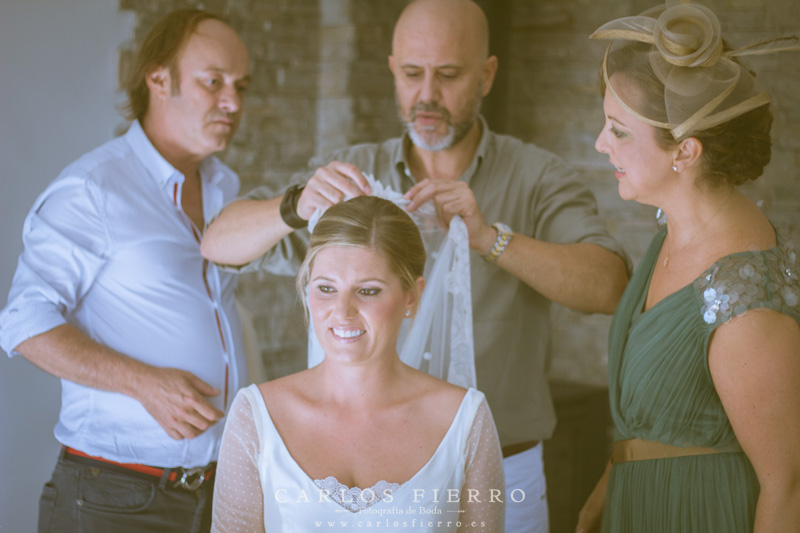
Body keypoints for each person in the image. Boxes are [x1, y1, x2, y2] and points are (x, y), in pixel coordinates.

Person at [201, 1, 630, 530]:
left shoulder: (535, 176)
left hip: (504, 467)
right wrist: (295, 204)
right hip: (345, 464)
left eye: (448, 75)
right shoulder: (353, 173)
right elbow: (216, 242)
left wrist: (488, 239)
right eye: (411, 74)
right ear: (391, 71)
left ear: (487, 74)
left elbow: (610, 286)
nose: (427, 94)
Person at [0, 9, 252, 532]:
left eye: (240, 86)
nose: (233, 103)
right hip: (112, 498)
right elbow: (23, 322)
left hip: (211, 493)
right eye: (213, 83)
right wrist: (143, 384)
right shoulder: (94, 187)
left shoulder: (224, 186)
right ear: (159, 78)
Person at [576, 2, 800, 531]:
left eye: (619, 131)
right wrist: (605, 494)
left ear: (685, 151)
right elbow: (664, 420)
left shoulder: (747, 302)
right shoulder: (671, 231)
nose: (600, 143)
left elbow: (787, 485)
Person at [210, 196, 505, 532]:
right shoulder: (256, 414)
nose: (342, 311)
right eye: (325, 288)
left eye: (367, 291)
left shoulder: (465, 418)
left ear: (412, 296)